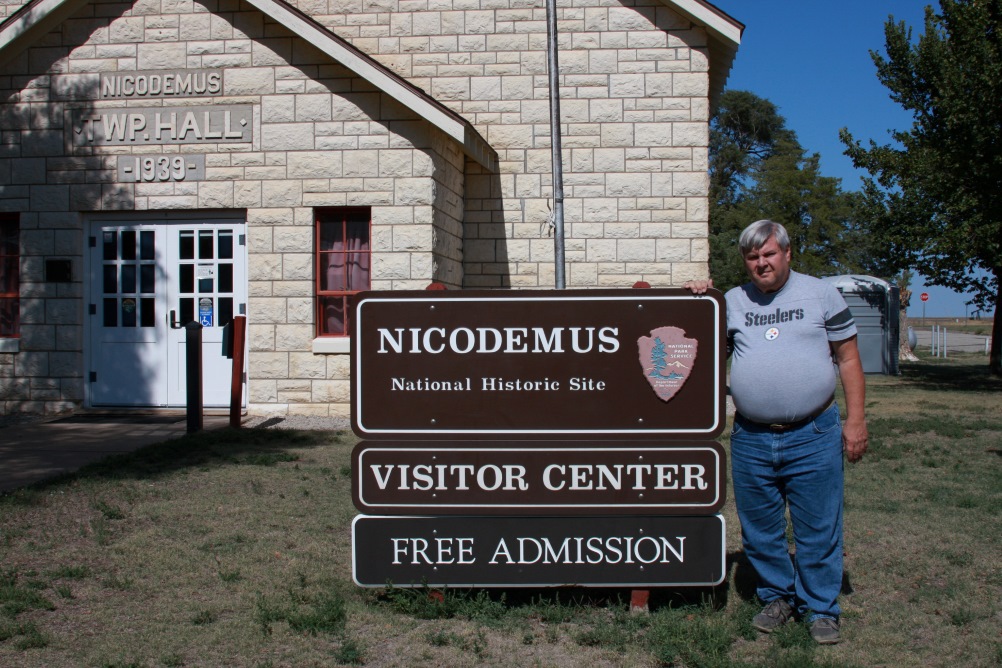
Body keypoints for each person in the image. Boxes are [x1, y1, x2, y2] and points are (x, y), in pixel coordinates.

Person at [685, 219, 868, 645]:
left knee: (819, 526)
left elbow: (849, 359)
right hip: (751, 436)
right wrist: (697, 301)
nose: (761, 263)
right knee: (761, 528)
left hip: (814, 432)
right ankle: (777, 596)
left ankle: (820, 607)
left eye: (768, 254)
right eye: (752, 257)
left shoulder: (821, 293)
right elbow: (700, 354)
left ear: (786, 253)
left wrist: (855, 421)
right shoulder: (731, 300)